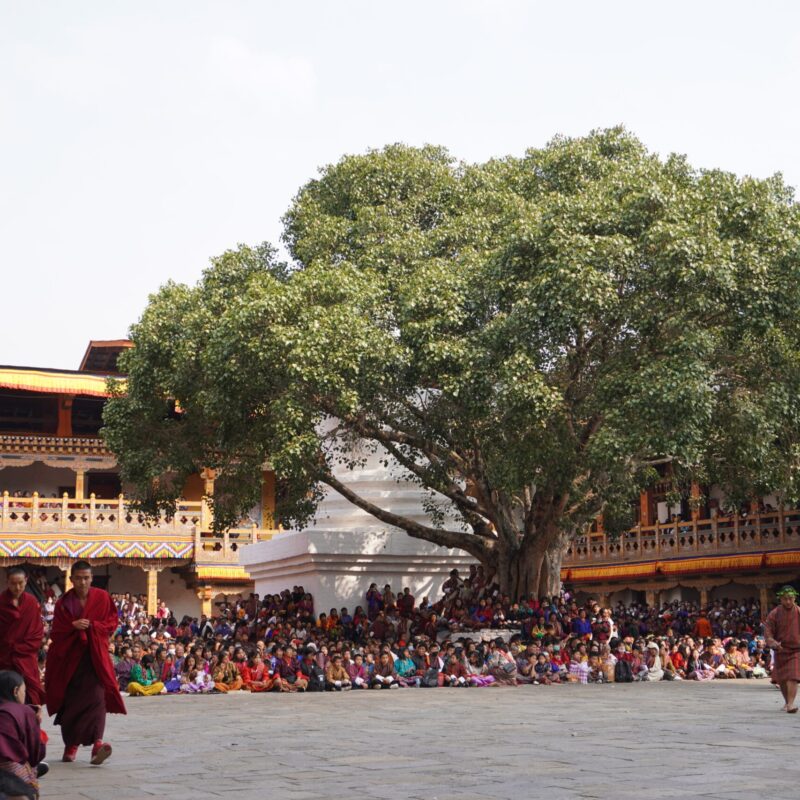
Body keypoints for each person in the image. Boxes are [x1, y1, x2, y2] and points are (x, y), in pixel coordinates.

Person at [44, 561, 125, 765]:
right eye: (78, 578)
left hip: (95, 657)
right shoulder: (64, 603)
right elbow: (57, 632)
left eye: (86, 578)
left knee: (98, 700)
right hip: (71, 662)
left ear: (92, 578)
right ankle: (71, 744)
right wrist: (73, 626)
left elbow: (111, 623)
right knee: (72, 704)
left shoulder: (102, 597)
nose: (82, 582)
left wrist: (92, 626)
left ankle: (97, 744)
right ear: (71, 579)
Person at [0, 568, 45, 708]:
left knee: (30, 697)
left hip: (25, 659)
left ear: (26, 581)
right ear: (7, 582)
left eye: (20, 583)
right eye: (13, 583)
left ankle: (28, 725)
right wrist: (9, 645)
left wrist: (17, 647)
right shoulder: (1, 602)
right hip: (4, 659)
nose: (17, 587)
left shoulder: (31, 603)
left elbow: (37, 634)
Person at [0, 670, 46, 800]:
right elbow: (35, 751)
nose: (24, 696)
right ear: (15, 691)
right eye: (24, 691)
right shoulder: (25, 711)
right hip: (8, 768)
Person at [765, 585, 800, 713]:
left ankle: (791, 704)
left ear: (795, 598)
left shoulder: (798, 612)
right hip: (780, 649)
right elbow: (768, 632)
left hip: (796, 649)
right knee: (783, 679)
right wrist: (773, 642)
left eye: (791, 598)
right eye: (785, 599)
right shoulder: (774, 613)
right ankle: (787, 702)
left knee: (793, 676)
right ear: (780, 599)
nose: (788, 601)